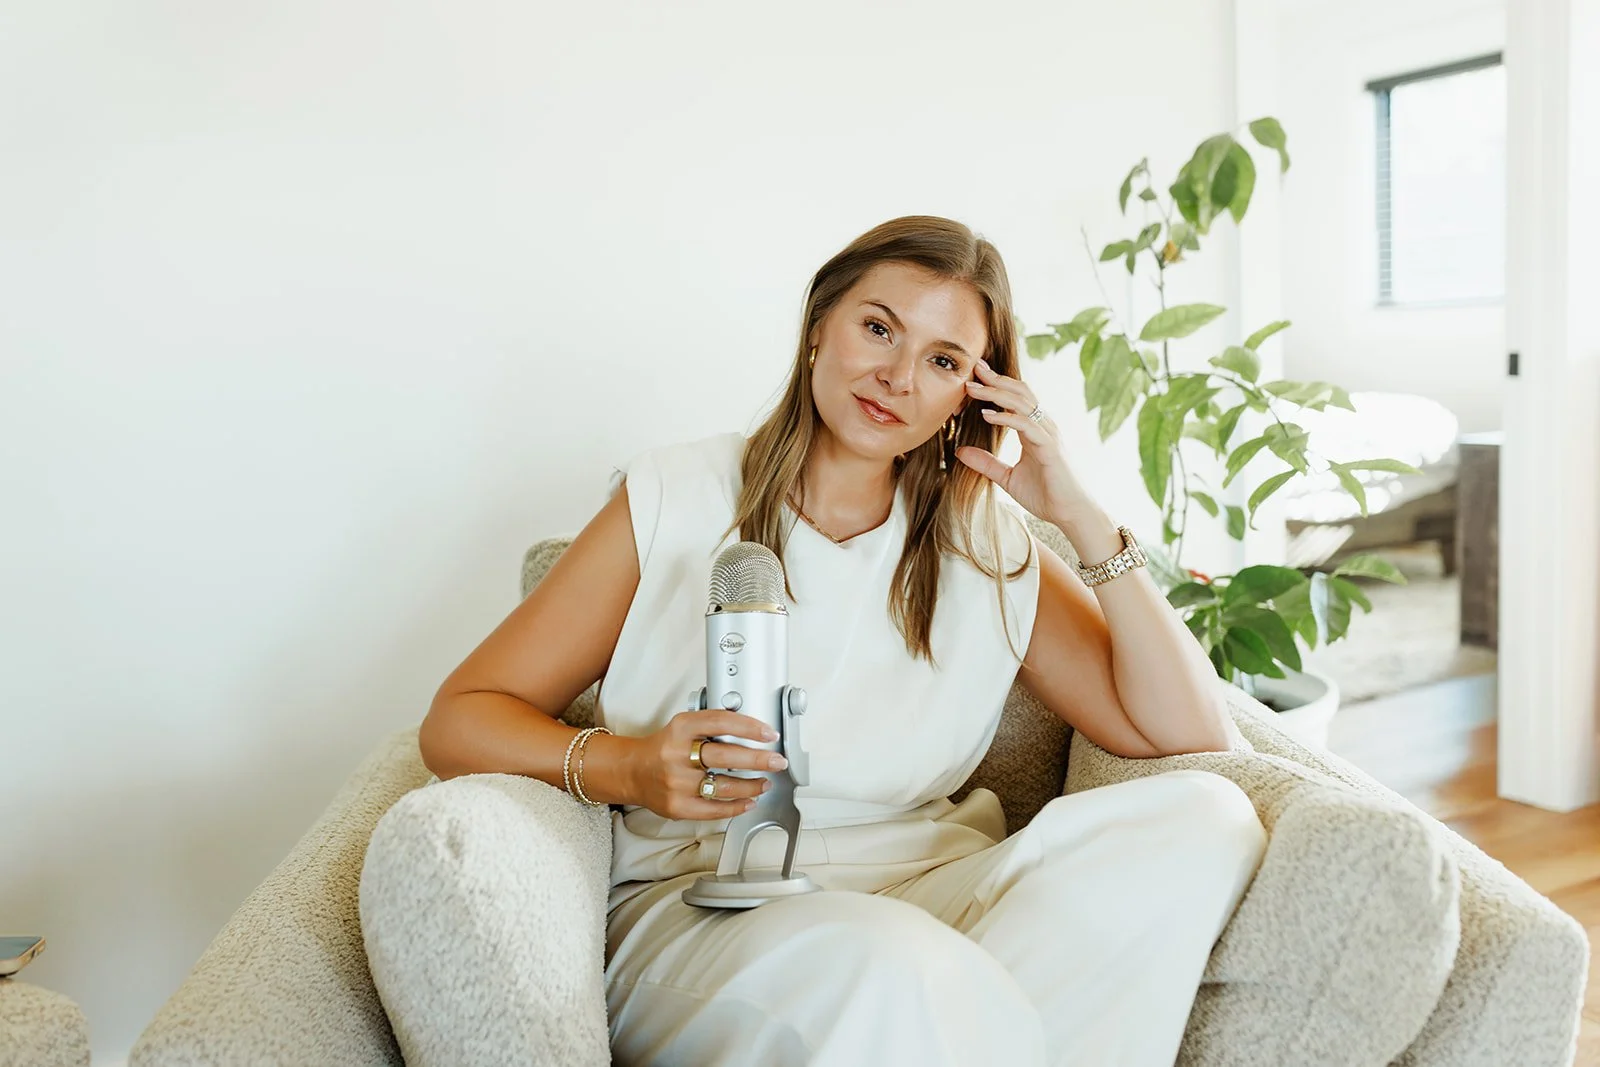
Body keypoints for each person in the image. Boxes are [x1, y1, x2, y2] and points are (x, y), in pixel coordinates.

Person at [405, 215, 1267, 1066]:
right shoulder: (677, 494)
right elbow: (460, 719)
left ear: (973, 393)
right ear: (821, 324)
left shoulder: (985, 537)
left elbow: (1188, 736)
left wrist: (1077, 514)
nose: (897, 376)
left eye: (943, 361)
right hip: (713, 911)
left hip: (932, 896)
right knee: (889, 968)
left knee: (1208, 816)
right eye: (879, 327)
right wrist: (628, 766)